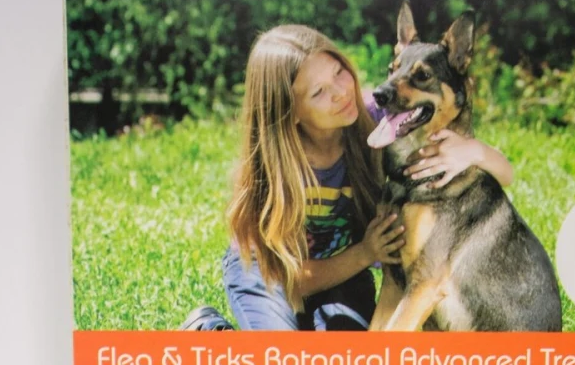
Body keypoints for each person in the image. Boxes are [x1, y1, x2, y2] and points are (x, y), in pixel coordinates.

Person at [184, 24, 514, 332]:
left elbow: (506, 174)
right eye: (319, 92)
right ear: (289, 111)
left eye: (339, 72)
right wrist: (365, 253)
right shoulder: (277, 168)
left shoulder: (378, 116)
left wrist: (473, 152)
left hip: (347, 276)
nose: (341, 93)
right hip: (272, 277)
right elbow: (293, 280)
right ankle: (209, 330)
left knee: (348, 363)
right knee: (280, 363)